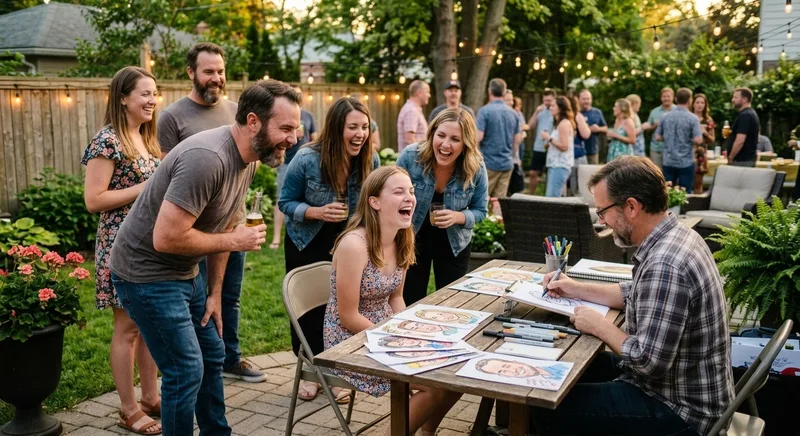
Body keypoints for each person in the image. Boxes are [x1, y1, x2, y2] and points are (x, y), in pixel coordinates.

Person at [110, 80, 301, 435]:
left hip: (185, 273)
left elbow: (225, 223)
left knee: (213, 355)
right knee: (185, 369)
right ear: (254, 122)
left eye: (296, 129)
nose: (293, 138)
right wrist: (235, 239)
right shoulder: (207, 158)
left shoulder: (250, 159)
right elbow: (166, 238)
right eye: (286, 128)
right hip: (145, 273)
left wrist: (214, 294)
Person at [529, 156, 734, 436]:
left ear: (632, 207)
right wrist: (573, 287)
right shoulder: (676, 235)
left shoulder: (665, 263)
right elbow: (634, 292)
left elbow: (647, 362)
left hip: (680, 411)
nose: (601, 220)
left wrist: (599, 326)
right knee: (563, 365)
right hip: (676, 387)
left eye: (603, 212)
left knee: (545, 405)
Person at [323, 165, 461, 436]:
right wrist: (394, 338)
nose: (409, 197)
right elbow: (347, 316)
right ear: (374, 202)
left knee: (454, 373)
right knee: (434, 386)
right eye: (398, 192)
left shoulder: (402, 237)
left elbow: (396, 297)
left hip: (386, 330)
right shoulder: (354, 245)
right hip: (350, 338)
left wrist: (408, 328)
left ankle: (425, 430)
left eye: (411, 191)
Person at [156, 42, 265, 384]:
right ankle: (202, 365)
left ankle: (230, 357)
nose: (216, 78)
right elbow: (167, 176)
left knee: (229, 294)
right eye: (208, 72)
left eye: (220, 71)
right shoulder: (172, 117)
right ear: (191, 73)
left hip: (233, 222)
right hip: (195, 229)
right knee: (199, 298)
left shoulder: (236, 110)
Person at [279, 97, 380, 402]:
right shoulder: (307, 158)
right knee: (309, 310)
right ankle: (310, 370)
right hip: (307, 240)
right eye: (353, 127)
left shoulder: (369, 160)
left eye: (364, 127)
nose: (360, 134)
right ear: (337, 128)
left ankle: (336, 375)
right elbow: (285, 202)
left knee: (341, 308)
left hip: (348, 244)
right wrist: (316, 212)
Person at [82, 66, 162, 436]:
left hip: (148, 244)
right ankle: (128, 409)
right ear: (123, 98)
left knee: (146, 325)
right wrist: (145, 187)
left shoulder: (146, 137)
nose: (152, 100)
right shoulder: (108, 140)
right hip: (119, 245)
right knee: (127, 327)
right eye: (145, 93)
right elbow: (94, 200)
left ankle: (150, 396)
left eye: (154, 93)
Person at [397, 108, 488, 305]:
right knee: (410, 299)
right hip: (412, 238)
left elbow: (481, 211)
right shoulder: (411, 157)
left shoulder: (476, 167)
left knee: (451, 303)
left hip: (454, 243)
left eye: (455, 139)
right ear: (432, 134)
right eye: (441, 135)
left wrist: (458, 217)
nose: (446, 144)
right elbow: (389, 196)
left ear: (465, 144)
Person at [271, 85, 318, 250]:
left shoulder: (308, 116)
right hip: (286, 162)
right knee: (281, 199)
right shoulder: (283, 114)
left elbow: (315, 139)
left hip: (305, 164)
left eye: (299, 94)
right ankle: (276, 237)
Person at [476, 78, 522, 200]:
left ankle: (483, 220)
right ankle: (499, 219)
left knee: (481, 200)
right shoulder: (513, 113)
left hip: (488, 163)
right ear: (504, 92)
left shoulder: (484, 111)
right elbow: (517, 139)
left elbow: (478, 137)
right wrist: (512, 155)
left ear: (489, 91)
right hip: (507, 163)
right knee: (499, 202)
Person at [655, 88, 703, 193]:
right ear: (690, 100)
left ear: (676, 99)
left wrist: (668, 137)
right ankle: (684, 210)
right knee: (685, 193)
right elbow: (698, 140)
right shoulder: (693, 118)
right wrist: (689, 138)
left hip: (668, 160)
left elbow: (657, 137)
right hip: (686, 161)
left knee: (666, 193)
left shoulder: (665, 116)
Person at [540, 96, 575, 197]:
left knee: (552, 198)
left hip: (560, 166)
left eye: (553, 105)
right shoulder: (558, 124)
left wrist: (548, 138)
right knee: (554, 197)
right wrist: (548, 143)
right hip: (555, 165)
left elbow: (564, 146)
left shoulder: (564, 124)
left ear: (560, 108)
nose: (550, 107)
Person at [527, 89, 556, 194]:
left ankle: (548, 195)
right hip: (538, 147)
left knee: (550, 174)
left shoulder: (556, 112)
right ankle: (532, 195)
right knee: (532, 173)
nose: (547, 102)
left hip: (552, 147)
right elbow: (530, 126)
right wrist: (536, 112)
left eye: (549, 100)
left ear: (554, 100)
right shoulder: (540, 111)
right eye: (545, 100)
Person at [727, 88, 760, 167]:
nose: (732, 100)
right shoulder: (752, 114)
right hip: (748, 159)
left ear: (744, 99)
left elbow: (740, 140)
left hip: (742, 161)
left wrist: (731, 157)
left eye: (735, 97)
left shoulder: (745, 115)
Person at [642, 88, 675, 168]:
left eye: (668, 96)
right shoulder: (654, 112)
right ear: (661, 98)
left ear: (673, 97)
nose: (666, 98)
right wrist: (655, 125)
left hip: (673, 149)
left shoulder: (678, 110)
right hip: (656, 149)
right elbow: (648, 131)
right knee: (656, 174)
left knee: (671, 175)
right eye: (664, 96)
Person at [567, 95, 592, 196]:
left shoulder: (565, 117)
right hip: (576, 155)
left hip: (571, 155)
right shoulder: (577, 116)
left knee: (571, 183)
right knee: (576, 184)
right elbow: (586, 134)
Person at [692, 93, 716, 194]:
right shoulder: (688, 117)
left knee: (698, 183)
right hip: (687, 153)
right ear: (693, 104)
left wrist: (705, 133)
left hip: (700, 155)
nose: (700, 105)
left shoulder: (708, 120)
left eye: (702, 102)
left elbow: (712, 140)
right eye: (697, 102)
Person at [398, 80, 431, 151]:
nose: (429, 95)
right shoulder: (411, 110)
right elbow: (409, 140)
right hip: (414, 159)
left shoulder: (414, 109)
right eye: (427, 92)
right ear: (419, 93)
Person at [577, 89, 607, 165]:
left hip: (592, 151)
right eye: (584, 99)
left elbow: (605, 128)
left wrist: (598, 129)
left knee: (593, 175)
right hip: (577, 151)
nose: (586, 101)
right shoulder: (575, 112)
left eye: (588, 99)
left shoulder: (597, 112)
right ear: (578, 99)